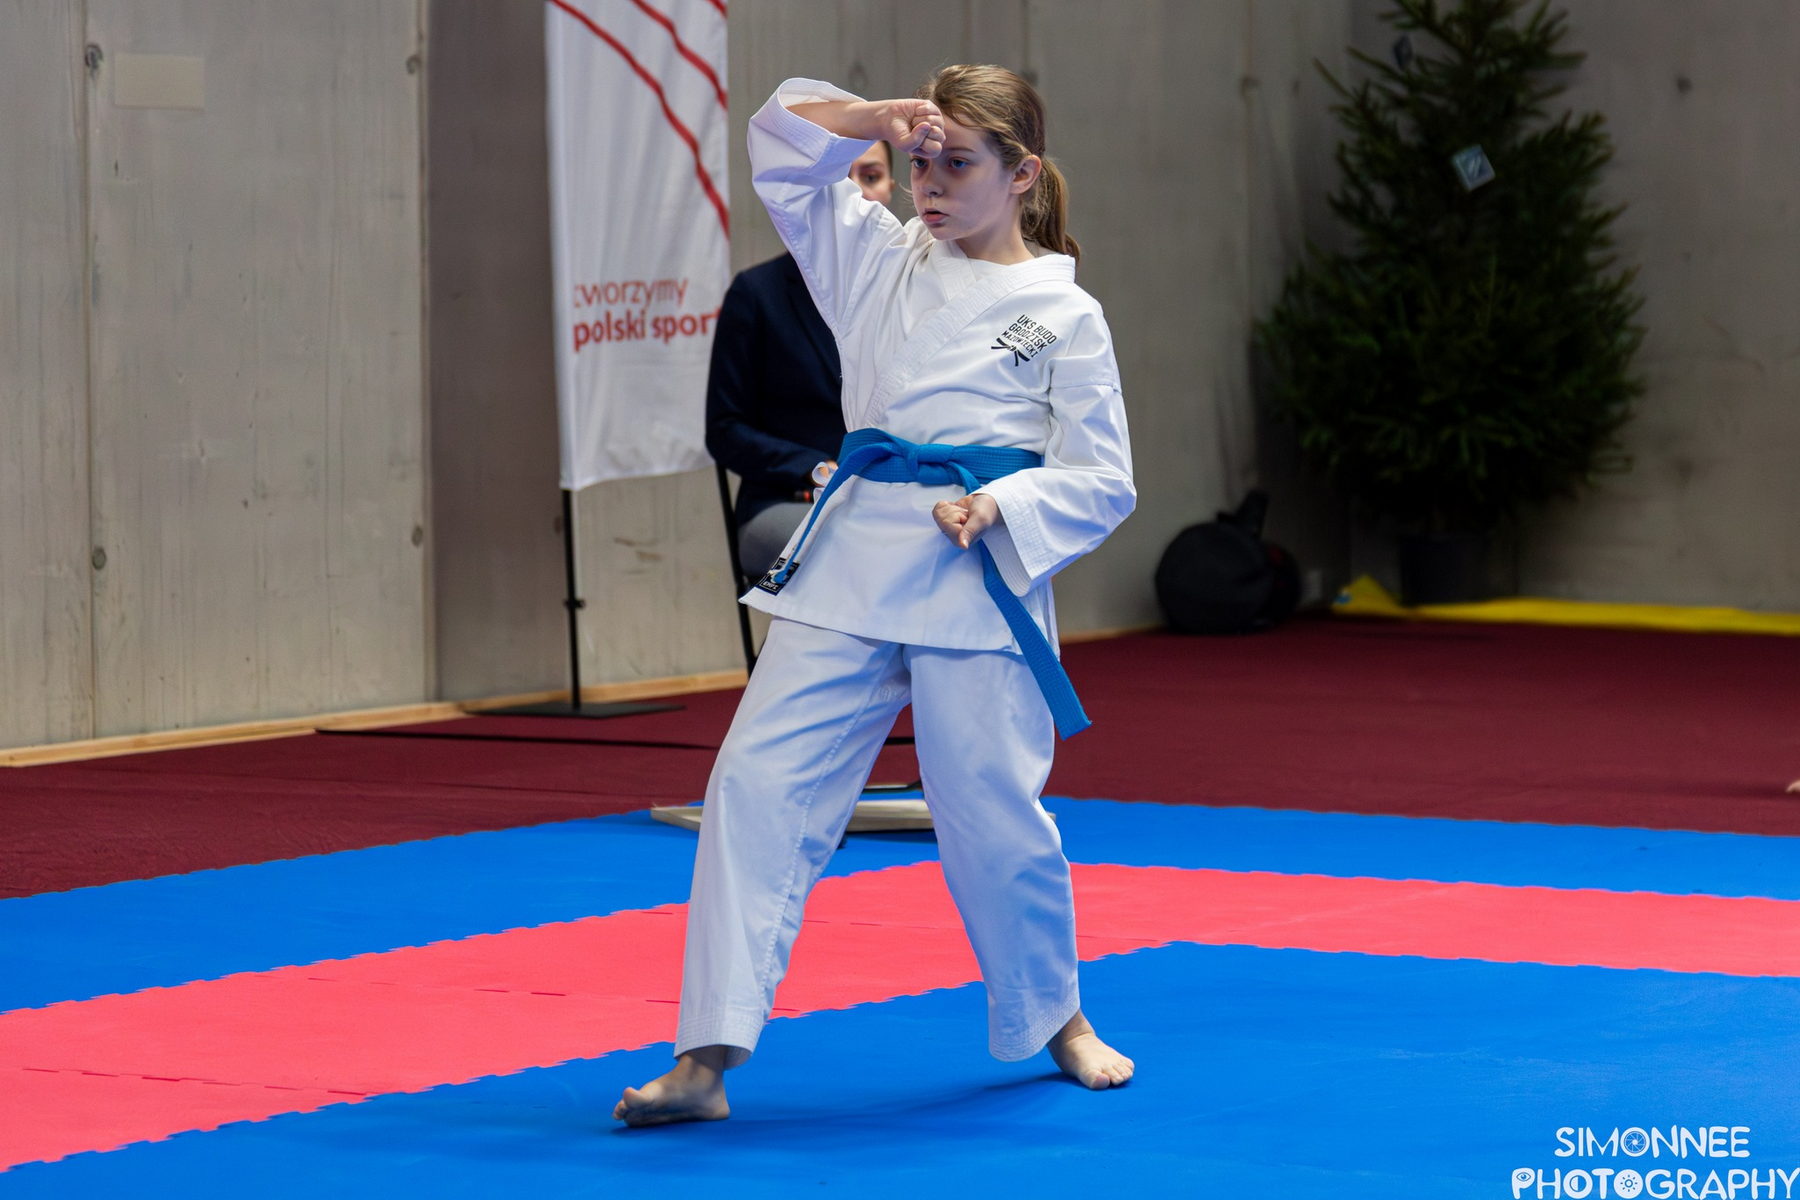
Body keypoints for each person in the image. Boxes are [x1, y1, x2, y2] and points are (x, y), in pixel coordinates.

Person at [616, 65, 1136, 1127]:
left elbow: (1103, 478)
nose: (930, 185)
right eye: (920, 162)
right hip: (852, 559)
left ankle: (1059, 1016)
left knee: (990, 816)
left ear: (1022, 174)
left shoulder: (1064, 311)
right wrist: (869, 118)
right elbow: (780, 148)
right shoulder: (872, 255)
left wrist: (1003, 505)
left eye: (959, 165)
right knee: (754, 788)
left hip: (975, 574)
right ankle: (706, 1055)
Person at [707, 141, 896, 578]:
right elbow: (725, 430)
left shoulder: (911, 288)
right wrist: (816, 470)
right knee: (864, 551)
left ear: (891, 187)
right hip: (788, 497)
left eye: (870, 176)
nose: (855, 192)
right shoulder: (758, 294)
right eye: (838, 177)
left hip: (891, 494)